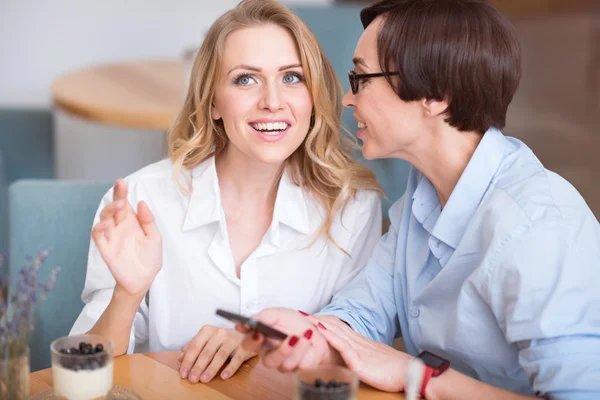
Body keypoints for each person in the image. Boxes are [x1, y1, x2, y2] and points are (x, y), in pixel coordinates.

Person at [240, 0, 600, 399]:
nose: (346, 98)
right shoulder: (423, 193)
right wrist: (308, 335)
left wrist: (419, 377)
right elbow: (365, 311)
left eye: (360, 79)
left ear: (436, 95)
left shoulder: (537, 228)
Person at [70, 0, 383, 385]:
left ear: (313, 96)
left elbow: (357, 351)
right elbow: (84, 378)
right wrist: (127, 294)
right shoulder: (141, 199)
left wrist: (258, 341)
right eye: (245, 79)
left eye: (291, 77)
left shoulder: (353, 209)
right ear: (213, 101)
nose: (272, 101)